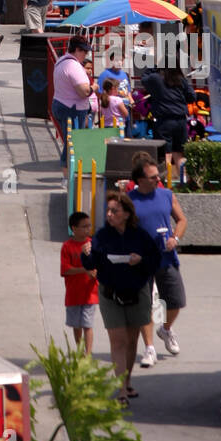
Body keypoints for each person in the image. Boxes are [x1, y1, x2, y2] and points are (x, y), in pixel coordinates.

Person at [80, 192, 162, 406]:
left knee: (131, 341)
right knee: (118, 341)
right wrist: (86, 253)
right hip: (110, 293)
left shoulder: (140, 236)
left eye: (114, 211)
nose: (109, 214)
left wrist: (141, 260)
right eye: (107, 210)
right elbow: (90, 264)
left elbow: (154, 262)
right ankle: (121, 391)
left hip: (136, 293)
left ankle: (126, 381)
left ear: (126, 214)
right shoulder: (102, 236)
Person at [130, 153, 188, 369]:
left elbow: (181, 220)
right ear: (140, 179)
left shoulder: (166, 195)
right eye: (153, 177)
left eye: (157, 176)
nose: (157, 179)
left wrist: (175, 238)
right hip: (141, 261)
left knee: (175, 301)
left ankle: (165, 329)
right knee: (145, 305)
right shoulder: (129, 201)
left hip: (166, 256)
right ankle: (149, 348)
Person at [51, 35, 93, 183]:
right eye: (84, 51)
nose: (86, 55)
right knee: (72, 143)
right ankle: (67, 176)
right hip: (72, 109)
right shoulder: (74, 66)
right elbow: (84, 92)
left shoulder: (61, 61)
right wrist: (93, 88)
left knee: (70, 142)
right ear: (76, 50)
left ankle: (69, 174)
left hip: (60, 103)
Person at [61, 210, 98, 354]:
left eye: (89, 226)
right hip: (73, 293)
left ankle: (88, 354)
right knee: (77, 325)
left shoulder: (93, 245)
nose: (88, 229)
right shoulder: (67, 246)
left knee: (88, 325)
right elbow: (65, 269)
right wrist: (84, 270)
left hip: (90, 293)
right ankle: (80, 350)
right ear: (74, 228)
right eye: (84, 226)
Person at [141, 62, 191, 168]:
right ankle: (184, 180)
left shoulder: (156, 78)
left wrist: (153, 66)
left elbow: (144, 79)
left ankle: (165, 181)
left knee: (165, 154)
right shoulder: (181, 80)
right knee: (179, 153)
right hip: (181, 120)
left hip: (164, 121)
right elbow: (192, 96)